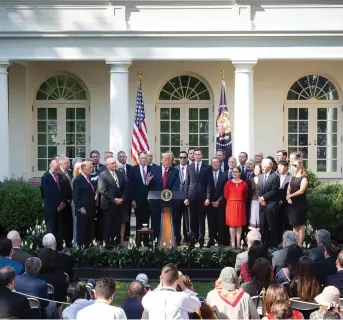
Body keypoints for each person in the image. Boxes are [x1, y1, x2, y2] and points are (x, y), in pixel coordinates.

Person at [148, 153, 181, 242]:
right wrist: (147, 182)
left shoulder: (175, 171)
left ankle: (169, 239)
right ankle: (156, 239)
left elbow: (176, 185)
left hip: (169, 201)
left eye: (169, 160)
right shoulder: (154, 170)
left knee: (169, 221)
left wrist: (168, 194)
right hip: (156, 202)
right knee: (156, 221)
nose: (167, 162)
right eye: (165, 160)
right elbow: (150, 185)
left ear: (171, 161)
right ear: (161, 160)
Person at [98, 157, 128, 246]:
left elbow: (125, 188)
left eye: (115, 163)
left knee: (117, 225)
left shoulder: (120, 173)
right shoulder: (103, 175)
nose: (114, 165)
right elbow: (102, 190)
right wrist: (114, 200)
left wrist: (122, 198)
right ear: (107, 165)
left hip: (119, 204)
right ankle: (107, 244)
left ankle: (116, 243)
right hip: (108, 205)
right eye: (112, 163)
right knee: (108, 225)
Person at [184, 148, 210, 248]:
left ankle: (201, 242)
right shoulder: (189, 167)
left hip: (203, 199)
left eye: (199, 154)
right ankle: (192, 241)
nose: (197, 156)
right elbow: (186, 184)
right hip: (191, 198)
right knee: (192, 221)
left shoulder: (207, 167)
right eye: (196, 154)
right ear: (193, 156)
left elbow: (208, 184)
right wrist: (185, 197)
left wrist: (208, 198)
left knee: (201, 221)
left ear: (202, 156)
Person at [40, 159, 66, 247]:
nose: (59, 166)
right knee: (51, 228)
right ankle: (49, 247)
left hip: (60, 207)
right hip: (51, 207)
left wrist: (62, 203)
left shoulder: (59, 176)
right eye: (57, 165)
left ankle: (58, 246)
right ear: (51, 165)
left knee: (59, 228)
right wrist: (58, 203)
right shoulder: (46, 177)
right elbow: (47, 193)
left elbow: (63, 190)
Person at [130, 151, 152, 245]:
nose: (143, 160)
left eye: (145, 158)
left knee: (147, 221)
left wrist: (148, 182)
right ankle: (138, 241)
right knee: (138, 221)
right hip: (137, 200)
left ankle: (146, 241)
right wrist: (132, 199)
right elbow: (131, 186)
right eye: (142, 158)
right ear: (138, 159)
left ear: (148, 158)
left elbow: (154, 184)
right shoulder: (133, 169)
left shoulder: (152, 169)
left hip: (149, 200)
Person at [223, 166, 248, 248]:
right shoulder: (228, 183)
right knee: (232, 225)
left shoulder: (244, 183)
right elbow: (226, 195)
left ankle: (238, 243)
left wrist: (239, 200)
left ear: (240, 173)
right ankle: (233, 243)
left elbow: (245, 195)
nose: (234, 173)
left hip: (240, 205)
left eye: (236, 171)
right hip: (231, 205)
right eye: (233, 171)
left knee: (239, 225)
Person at [73, 161, 96, 247]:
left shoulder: (88, 178)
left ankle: (88, 246)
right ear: (83, 169)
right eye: (90, 167)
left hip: (90, 209)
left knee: (89, 229)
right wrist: (80, 207)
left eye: (92, 167)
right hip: (83, 210)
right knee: (82, 229)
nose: (92, 169)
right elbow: (75, 196)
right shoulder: (78, 179)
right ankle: (81, 247)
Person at [258, 158, 280, 247]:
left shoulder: (275, 176)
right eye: (262, 165)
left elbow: (274, 190)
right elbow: (259, 189)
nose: (262, 167)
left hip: (271, 205)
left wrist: (263, 198)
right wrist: (260, 199)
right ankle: (263, 244)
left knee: (272, 226)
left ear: (270, 166)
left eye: (264, 165)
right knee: (263, 226)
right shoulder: (260, 176)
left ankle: (273, 245)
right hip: (262, 205)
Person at [286, 159, 308, 246]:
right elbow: (289, 187)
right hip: (292, 204)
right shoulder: (293, 176)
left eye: (295, 165)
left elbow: (301, 191)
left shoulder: (304, 177)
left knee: (300, 224)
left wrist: (291, 196)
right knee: (294, 224)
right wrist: (288, 196)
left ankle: (299, 244)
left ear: (300, 166)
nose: (293, 167)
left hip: (300, 204)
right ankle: (294, 243)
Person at [207, 156, 227, 247]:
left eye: (217, 162)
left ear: (220, 164)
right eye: (213, 162)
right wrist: (211, 201)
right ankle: (211, 239)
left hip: (221, 203)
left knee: (220, 223)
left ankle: (220, 241)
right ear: (211, 164)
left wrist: (219, 200)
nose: (215, 164)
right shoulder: (207, 175)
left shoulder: (224, 175)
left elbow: (225, 190)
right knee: (211, 223)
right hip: (210, 203)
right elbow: (206, 188)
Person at [175, 151, 190, 245]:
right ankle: (177, 238)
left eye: (184, 157)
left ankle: (187, 237)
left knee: (187, 220)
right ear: (178, 158)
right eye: (181, 157)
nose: (183, 159)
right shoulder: (175, 169)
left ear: (187, 158)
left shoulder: (191, 168)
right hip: (177, 198)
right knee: (177, 219)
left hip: (187, 198)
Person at [278, 160, 292, 233]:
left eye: (281, 166)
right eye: (278, 166)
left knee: (286, 223)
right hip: (276, 203)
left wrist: (282, 200)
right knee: (277, 223)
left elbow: (289, 191)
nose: (279, 168)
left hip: (286, 204)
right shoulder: (276, 176)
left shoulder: (291, 177)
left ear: (286, 167)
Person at [71, 162, 82, 247]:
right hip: (76, 205)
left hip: (82, 205)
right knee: (76, 225)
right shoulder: (75, 179)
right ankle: (76, 244)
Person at [248, 164, 262, 230]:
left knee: (260, 217)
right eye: (255, 169)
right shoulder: (250, 180)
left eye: (258, 169)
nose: (256, 170)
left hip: (261, 201)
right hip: (253, 201)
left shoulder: (263, 179)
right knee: (253, 216)